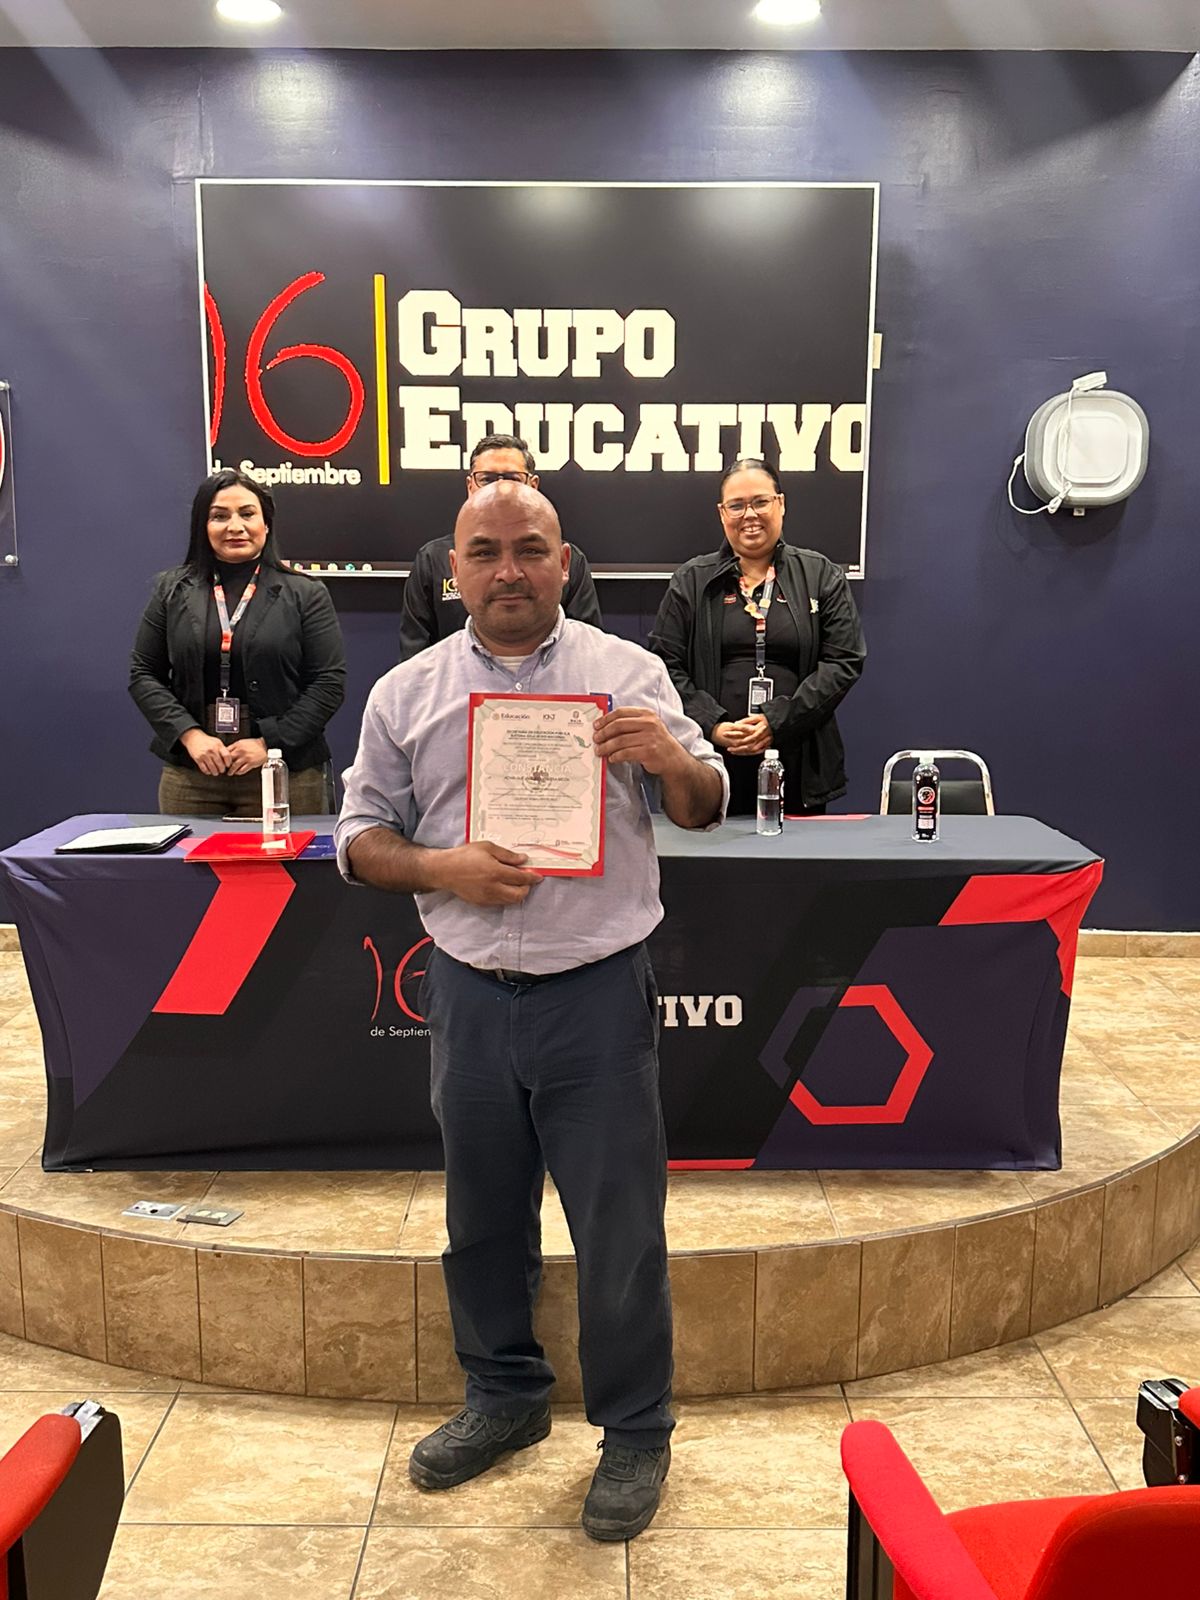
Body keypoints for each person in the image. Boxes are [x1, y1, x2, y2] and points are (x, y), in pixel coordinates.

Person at [336, 481, 726, 1542]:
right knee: (482, 1217)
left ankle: (635, 1429)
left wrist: (672, 760)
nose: (508, 569)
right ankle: (504, 1396)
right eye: (485, 551)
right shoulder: (406, 692)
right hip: (468, 993)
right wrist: (441, 866)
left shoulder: (627, 672)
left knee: (618, 1227)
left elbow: (703, 806)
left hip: (596, 991)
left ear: (564, 562)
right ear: (451, 570)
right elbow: (359, 837)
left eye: (530, 549)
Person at [649, 457, 866, 816]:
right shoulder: (691, 580)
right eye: (737, 505)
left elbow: (844, 661)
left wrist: (776, 721)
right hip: (709, 761)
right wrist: (713, 724)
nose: (749, 514)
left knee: (798, 854)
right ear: (722, 513)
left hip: (797, 761)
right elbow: (662, 667)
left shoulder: (820, 575)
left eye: (760, 502)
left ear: (780, 504)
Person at [129, 467, 347, 816]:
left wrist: (269, 743)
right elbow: (143, 674)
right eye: (219, 516)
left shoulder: (306, 593)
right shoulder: (171, 590)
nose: (235, 526)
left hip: (284, 769)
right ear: (203, 526)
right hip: (193, 772)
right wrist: (190, 735)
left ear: (266, 524)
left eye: (247, 514)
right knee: (191, 854)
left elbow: (328, 683)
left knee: (285, 856)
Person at [398, 433, 602, 658]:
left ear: (533, 485)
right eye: (487, 479)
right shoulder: (432, 560)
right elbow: (415, 657)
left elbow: (588, 651)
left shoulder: (570, 561)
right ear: (470, 486)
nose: (500, 488)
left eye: (512, 478)